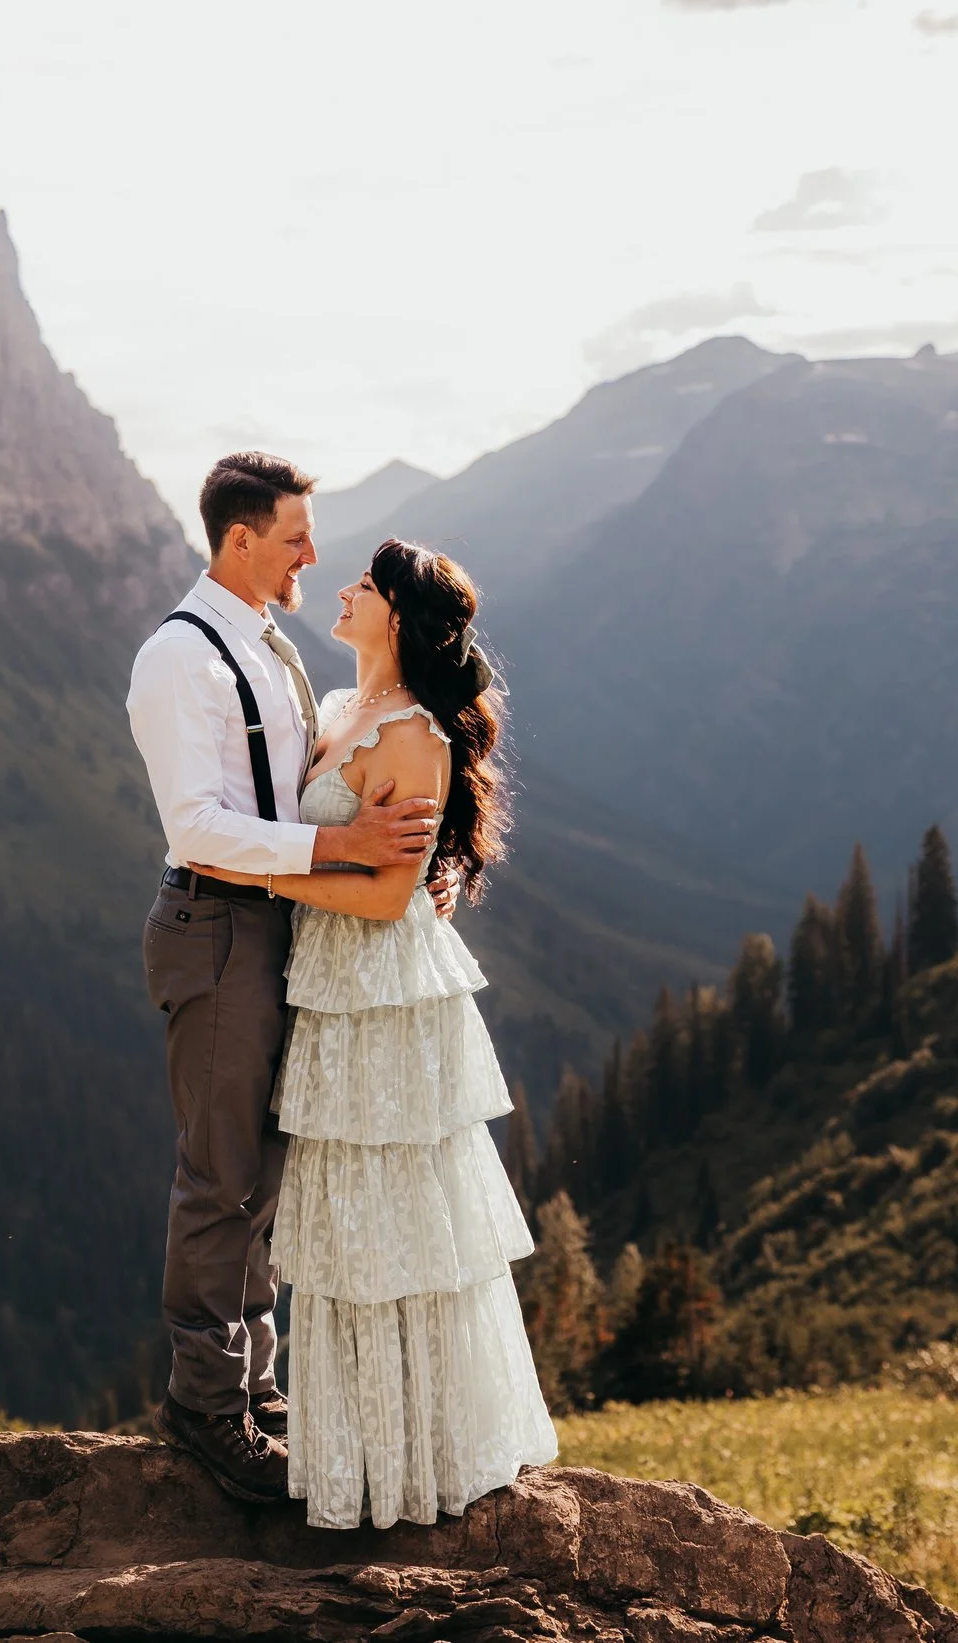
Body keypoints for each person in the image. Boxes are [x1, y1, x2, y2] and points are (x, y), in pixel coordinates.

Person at [184, 536, 558, 1529]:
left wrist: (252, 871)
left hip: (382, 999)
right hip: (335, 992)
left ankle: (418, 1460)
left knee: (395, 1222)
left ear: (396, 614)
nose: (341, 590)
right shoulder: (346, 711)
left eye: (363, 583)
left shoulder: (415, 736)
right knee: (348, 1222)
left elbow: (390, 890)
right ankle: (358, 1453)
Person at [124, 452, 443, 1503]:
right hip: (216, 929)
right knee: (221, 1174)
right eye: (296, 533)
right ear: (239, 539)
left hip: (279, 930)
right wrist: (350, 858)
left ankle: (257, 1390)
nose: (314, 551)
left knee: (263, 1174)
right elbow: (201, 828)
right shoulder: (181, 657)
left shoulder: (267, 645)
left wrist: (410, 865)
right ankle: (207, 1408)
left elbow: (319, 782)